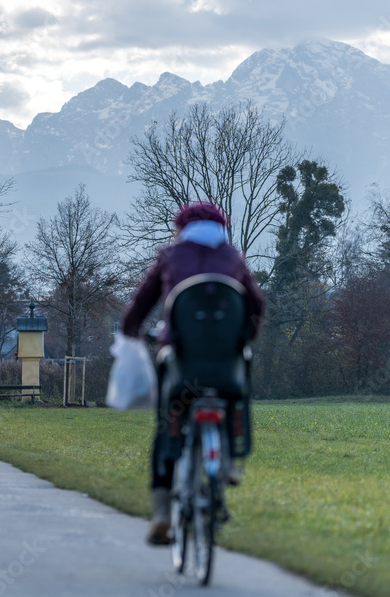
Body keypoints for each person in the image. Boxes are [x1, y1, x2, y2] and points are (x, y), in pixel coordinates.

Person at [120, 202, 265, 546]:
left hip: (181, 364)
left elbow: (142, 303)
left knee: (167, 426)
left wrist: (131, 332)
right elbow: (257, 304)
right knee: (234, 394)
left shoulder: (170, 256)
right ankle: (230, 461)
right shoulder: (233, 257)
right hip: (226, 365)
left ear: (181, 228)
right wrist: (244, 337)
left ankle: (160, 516)